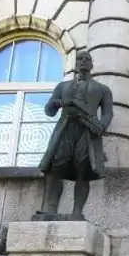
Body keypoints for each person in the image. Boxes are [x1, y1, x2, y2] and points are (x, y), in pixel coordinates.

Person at [35, 51, 114, 219]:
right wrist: (57, 103)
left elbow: (108, 113)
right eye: (80, 59)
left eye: (87, 59)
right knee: (54, 169)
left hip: (87, 132)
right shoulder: (62, 87)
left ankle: (77, 212)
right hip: (66, 129)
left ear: (92, 64)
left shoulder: (102, 89)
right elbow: (49, 111)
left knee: (83, 171)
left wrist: (101, 126)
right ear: (75, 64)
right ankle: (50, 209)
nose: (84, 61)